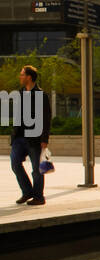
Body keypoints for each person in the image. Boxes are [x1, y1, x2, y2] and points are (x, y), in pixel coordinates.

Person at [11, 64, 52, 206]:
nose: (20, 76)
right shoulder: (20, 93)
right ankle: (27, 191)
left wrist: (44, 139)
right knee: (15, 164)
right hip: (19, 138)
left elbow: (46, 118)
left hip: (34, 138)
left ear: (29, 77)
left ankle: (39, 197)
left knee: (37, 170)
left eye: (22, 74)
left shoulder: (41, 95)